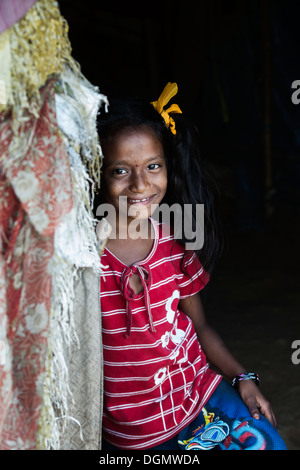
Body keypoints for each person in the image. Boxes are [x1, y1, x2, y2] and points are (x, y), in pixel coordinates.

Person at [96, 83, 286, 450]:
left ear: (168, 166)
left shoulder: (175, 241)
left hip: (198, 397)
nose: (140, 184)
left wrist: (242, 377)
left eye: (153, 166)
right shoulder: (86, 258)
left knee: (268, 444)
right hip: (135, 437)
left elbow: (198, 325)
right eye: (120, 170)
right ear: (98, 172)